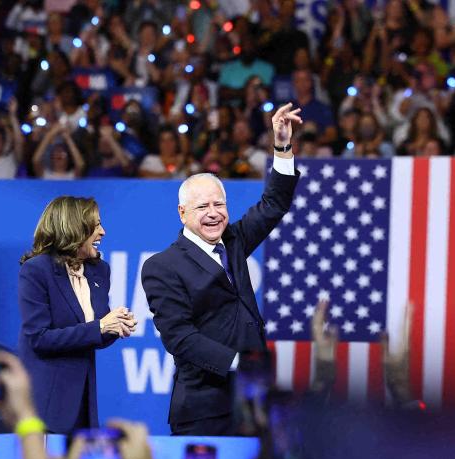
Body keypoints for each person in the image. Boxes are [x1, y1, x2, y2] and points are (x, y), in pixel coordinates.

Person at [142, 103, 302, 436]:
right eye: (203, 207)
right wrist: (240, 364)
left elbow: (274, 204)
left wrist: (282, 146)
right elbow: (180, 338)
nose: (213, 213)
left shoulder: (235, 240)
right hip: (204, 410)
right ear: (182, 213)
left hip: (252, 406)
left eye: (219, 204)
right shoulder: (162, 266)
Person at [16, 197, 137, 433]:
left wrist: (115, 325)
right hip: (46, 401)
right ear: (73, 227)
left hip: (83, 400)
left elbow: (94, 332)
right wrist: (101, 326)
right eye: (96, 225)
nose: (103, 232)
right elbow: (39, 339)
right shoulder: (36, 270)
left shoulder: (99, 270)